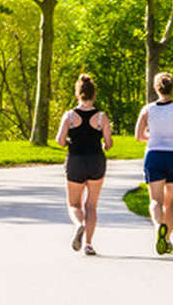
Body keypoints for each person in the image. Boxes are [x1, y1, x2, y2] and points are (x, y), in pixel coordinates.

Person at [135, 71, 173, 255]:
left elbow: (138, 135)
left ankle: (157, 227)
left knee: (155, 200)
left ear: (156, 88)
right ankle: (167, 239)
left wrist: (152, 136)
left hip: (154, 154)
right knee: (169, 202)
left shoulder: (147, 109)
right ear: (172, 87)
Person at [55, 73, 113, 256]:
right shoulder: (102, 117)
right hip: (96, 160)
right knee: (91, 205)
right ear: (93, 94)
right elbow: (109, 143)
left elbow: (59, 140)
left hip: (76, 160)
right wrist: (103, 144)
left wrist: (67, 143)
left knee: (74, 203)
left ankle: (79, 224)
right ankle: (88, 244)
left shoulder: (70, 116)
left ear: (78, 94)